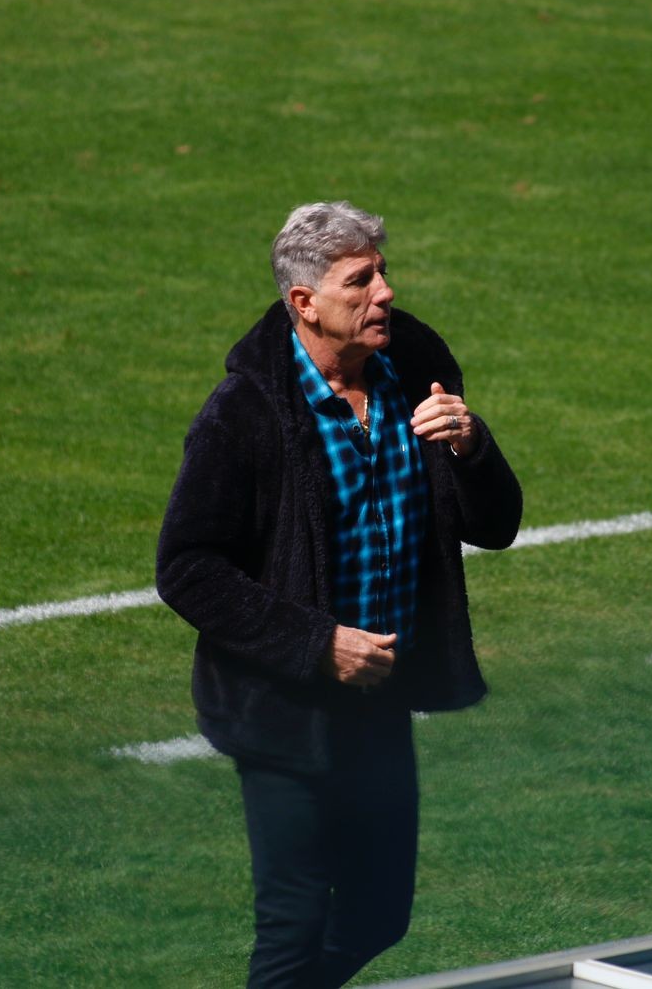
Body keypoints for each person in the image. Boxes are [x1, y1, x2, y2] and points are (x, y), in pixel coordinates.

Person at [156, 201, 523, 988]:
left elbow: (495, 527)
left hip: (380, 700)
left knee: (378, 915)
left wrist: (472, 446)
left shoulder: (414, 373)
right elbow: (186, 565)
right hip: (284, 712)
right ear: (305, 303)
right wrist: (316, 642)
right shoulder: (245, 416)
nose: (385, 293)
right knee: (293, 926)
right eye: (361, 281)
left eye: (383, 273)